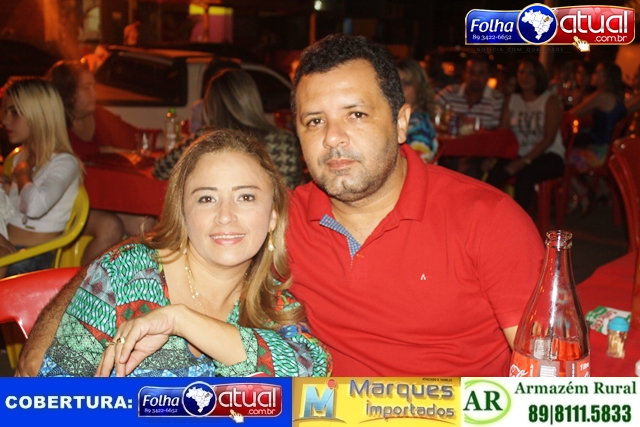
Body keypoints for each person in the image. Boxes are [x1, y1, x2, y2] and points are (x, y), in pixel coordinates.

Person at [17, 35, 543, 378]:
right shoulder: (280, 221)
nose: (333, 138)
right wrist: (40, 366)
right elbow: (143, 262)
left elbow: (550, 379)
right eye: (315, 121)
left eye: (356, 114)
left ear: (402, 122)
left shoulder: (488, 221)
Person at [37, 129, 331, 377]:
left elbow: (311, 373)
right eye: (207, 198)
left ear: (273, 217)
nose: (225, 216)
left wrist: (181, 320)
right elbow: (52, 395)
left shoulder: (272, 303)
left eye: (245, 197)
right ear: (183, 212)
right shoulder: (125, 275)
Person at [47, 60, 155, 265]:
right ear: (68, 92)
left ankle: (138, 280)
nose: (94, 93)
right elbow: (65, 152)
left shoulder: (98, 116)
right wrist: (103, 151)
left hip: (102, 198)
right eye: (87, 87)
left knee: (145, 225)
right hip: (63, 201)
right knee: (110, 227)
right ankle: (83, 284)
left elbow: (133, 136)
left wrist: (171, 138)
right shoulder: (53, 123)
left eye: (93, 86)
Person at [154, 68, 303, 189]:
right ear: (253, 99)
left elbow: (160, 170)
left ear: (211, 105)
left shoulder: (205, 139)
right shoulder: (286, 140)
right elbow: (291, 189)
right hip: (277, 217)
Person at [0, 77, 82, 278]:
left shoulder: (65, 162)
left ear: (40, 116)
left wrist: (22, 175)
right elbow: (15, 210)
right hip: (11, 250)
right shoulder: (21, 156)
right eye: (4, 111)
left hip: (31, 258)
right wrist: (6, 189)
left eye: (14, 112)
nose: (5, 120)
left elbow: (35, 207)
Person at [485, 57, 565, 212]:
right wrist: (491, 157)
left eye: (530, 73)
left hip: (548, 154)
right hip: (518, 152)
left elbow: (548, 139)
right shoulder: (512, 99)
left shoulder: (549, 101)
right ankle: (488, 216)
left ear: (538, 76)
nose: (524, 77)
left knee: (525, 177)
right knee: (494, 173)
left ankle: (518, 220)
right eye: (521, 72)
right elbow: (503, 133)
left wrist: (522, 162)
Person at [567, 62, 627, 213]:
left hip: (601, 154)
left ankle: (581, 193)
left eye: (597, 72)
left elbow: (572, 113)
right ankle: (601, 191)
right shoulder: (617, 97)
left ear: (606, 77)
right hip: (612, 152)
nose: (593, 75)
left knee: (561, 158)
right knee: (577, 150)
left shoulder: (602, 96)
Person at [396, 57, 438, 163]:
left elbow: (418, 165)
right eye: (396, 83)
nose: (399, 89)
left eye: (406, 83)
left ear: (419, 89)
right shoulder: (402, 120)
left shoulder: (418, 126)